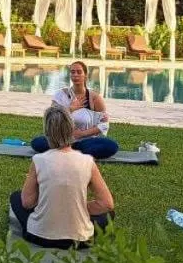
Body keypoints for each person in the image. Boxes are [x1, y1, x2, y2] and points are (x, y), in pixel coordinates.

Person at [11, 104, 116, 249]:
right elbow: (107, 204)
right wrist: (78, 208)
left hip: (40, 236)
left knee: (16, 197)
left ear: (47, 132)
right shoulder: (88, 162)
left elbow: (27, 203)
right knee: (109, 214)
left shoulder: (39, 160)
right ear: (72, 130)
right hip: (79, 240)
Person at [30, 60, 119, 160]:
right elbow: (51, 119)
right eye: (73, 72)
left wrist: (81, 134)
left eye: (79, 72)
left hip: (85, 141)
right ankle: (73, 152)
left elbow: (103, 125)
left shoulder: (94, 98)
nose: (75, 75)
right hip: (62, 140)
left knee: (111, 146)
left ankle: (66, 151)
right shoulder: (60, 95)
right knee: (37, 142)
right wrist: (70, 109)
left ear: (85, 75)